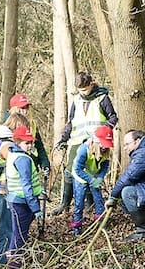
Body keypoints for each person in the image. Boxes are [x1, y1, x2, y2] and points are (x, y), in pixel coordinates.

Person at [51, 72, 119, 216]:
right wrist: (63, 138)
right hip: (76, 141)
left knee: (91, 171)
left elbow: (113, 117)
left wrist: (104, 131)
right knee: (70, 170)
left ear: (91, 84)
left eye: (85, 89)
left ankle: (90, 203)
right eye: (80, 90)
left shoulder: (102, 98)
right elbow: (71, 121)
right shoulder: (76, 100)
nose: (83, 92)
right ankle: (65, 203)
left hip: (97, 142)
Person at [5, 125, 43, 269]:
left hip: (16, 200)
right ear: (18, 142)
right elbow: (26, 185)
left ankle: (13, 267)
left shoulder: (12, 154)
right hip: (22, 203)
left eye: (31, 142)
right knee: (20, 236)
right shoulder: (23, 159)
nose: (30, 145)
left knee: (18, 234)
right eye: (26, 143)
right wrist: (35, 208)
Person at [0, 113, 29, 265]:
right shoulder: (6, 144)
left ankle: (8, 258)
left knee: (11, 226)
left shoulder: (3, 141)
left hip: (6, 190)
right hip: (3, 191)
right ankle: (2, 260)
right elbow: (12, 159)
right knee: (7, 227)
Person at [69, 124, 113, 235]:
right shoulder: (84, 150)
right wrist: (91, 180)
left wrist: (99, 178)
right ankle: (76, 225)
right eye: (102, 144)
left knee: (99, 199)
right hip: (81, 177)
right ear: (96, 141)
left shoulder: (105, 152)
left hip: (95, 176)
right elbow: (78, 169)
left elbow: (104, 166)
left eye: (106, 145)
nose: (104, 147)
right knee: (79, 201)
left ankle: (101, 222)